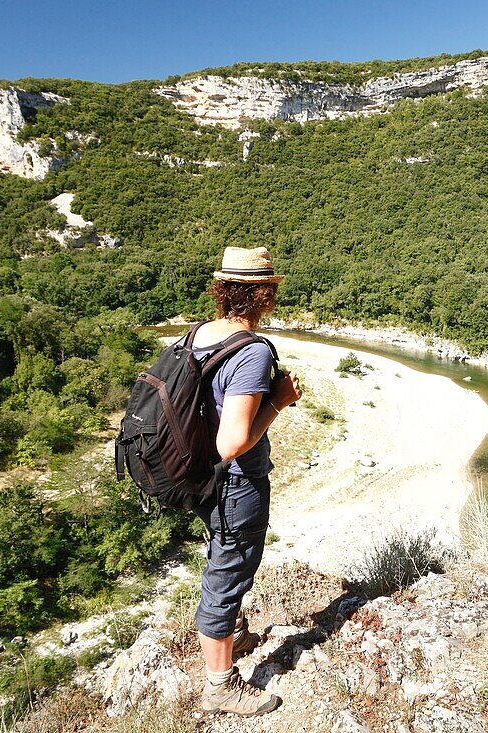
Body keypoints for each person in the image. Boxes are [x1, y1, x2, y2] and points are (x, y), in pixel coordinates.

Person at [190, 245, 301, 717]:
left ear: (221, 290)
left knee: (223, 557)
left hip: (202, 478)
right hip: (236, 481)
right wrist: (280, 400)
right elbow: (232, 442)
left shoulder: (201, 334)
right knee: (229, 572)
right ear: (263, 295)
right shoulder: (251, 352)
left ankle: (229, 637)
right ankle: (220, 683)